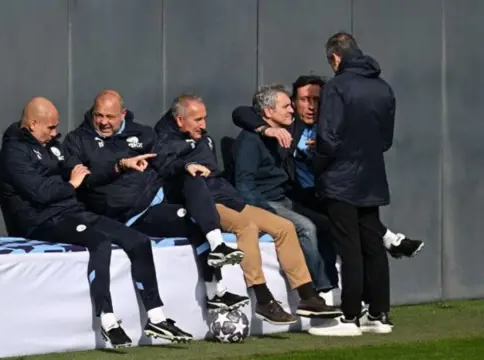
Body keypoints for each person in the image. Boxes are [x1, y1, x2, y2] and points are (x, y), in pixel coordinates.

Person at [0, 97, 192, 348]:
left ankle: (156, 317)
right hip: (39, 222)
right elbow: (40, 193)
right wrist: (69, 185)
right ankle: (108, 320)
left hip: (71, 211)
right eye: (51, 127)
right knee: (99, 243)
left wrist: (120, 166)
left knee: (138, 241)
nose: (56, 133)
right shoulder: (13, 153)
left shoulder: (52, 147)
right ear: (34, 124)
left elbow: (84, 175)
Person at [154, 93, 342, 324]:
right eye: (198, 120)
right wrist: (186, 165)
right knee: (246, 227)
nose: (204, 126)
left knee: (284, 226)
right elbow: (165, 166)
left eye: (205, 118)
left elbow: (239, 116)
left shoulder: (202, 137)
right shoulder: (162, 141)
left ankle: (308, 297)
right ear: (180, 120)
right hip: (201, 204)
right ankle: (263, 299)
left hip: (226, 196)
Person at [62, 90, 249, 313]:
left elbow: (164, 163)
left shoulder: (142, 133)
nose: (103, 122)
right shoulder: (77, 140)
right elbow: (85, 181)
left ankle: (217, 267)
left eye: (109, 117)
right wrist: (120, 165)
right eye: (98, 115)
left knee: (193, 185)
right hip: (127, 215)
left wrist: (184, 166)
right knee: (189, 218)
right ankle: (213, 288)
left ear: (122, 114)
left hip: (155, 198)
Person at [231, 75, 424, 259]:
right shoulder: (287, 124)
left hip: (326, 193)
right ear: (294, 102)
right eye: (305, 100)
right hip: (295, 194)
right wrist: (267, 129)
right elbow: (241, 112)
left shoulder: (330, 128)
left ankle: (386, 242)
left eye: (316, 100)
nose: (311, 106)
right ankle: (389, 239)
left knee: (350, 209)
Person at [308, 32, 397, 336]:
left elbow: (327, 139)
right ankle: (379, 315)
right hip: (372, 177)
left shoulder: (337, 87)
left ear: (335, 57)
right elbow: (385, 140)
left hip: (341, 179)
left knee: (350, 248)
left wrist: (319, 162)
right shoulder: (383, 88)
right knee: (373, 245)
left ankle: (350, 318)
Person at [231, 85, 338, 299]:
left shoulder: (288, 131)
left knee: (325, 224)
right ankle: (318, 290)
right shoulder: (250, 141)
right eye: (286, 106)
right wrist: (265, 212)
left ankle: (332, 287)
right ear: (269, 112)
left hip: (285, 198)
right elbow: (244, 184)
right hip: (266, 202)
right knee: (306, 228)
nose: (292, 110)